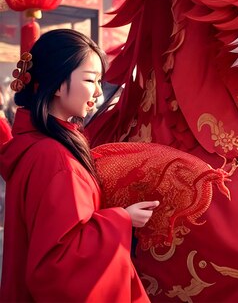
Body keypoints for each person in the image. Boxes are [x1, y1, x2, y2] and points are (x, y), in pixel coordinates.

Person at [0, 29, 159, 302]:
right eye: (89, 79)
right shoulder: (55, 158)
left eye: (99, 81)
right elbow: (59, 264)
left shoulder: (35, 146)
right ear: (58, 85)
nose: (98, 91)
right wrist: (123, 218)